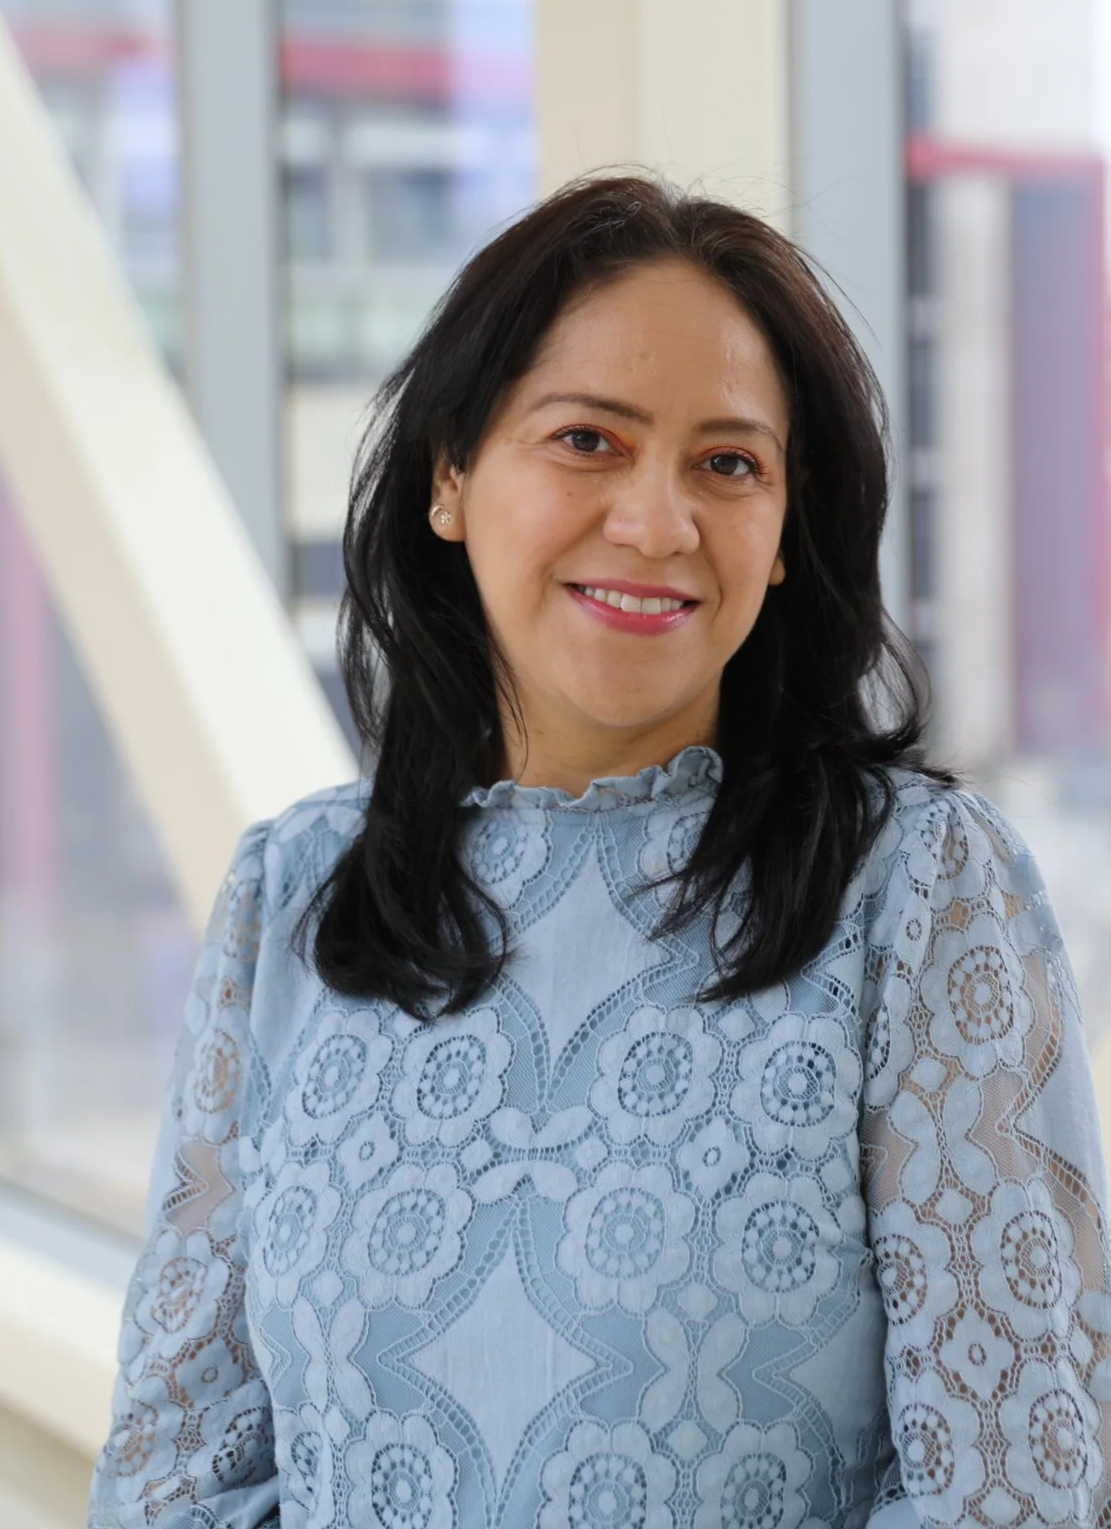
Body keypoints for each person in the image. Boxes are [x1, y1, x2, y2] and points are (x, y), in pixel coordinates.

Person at [88, 176, 1111, 1529]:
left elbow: (1010, 1494)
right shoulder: (290, 897)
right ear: (451, 474)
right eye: (587, 440)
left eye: (727, 463)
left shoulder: (915, 887)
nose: (654, 521)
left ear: (786, 531)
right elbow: (170, 1483)